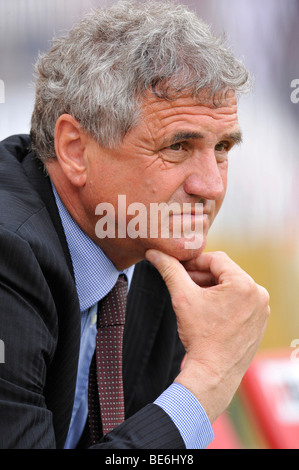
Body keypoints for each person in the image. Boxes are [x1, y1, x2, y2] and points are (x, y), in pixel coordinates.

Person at [0, 0, 270, 449]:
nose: (211, 186)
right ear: (74, 149)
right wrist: (207, 381)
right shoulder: (8, 253)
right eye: (178, 146)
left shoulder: (156, 257)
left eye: (222, 147)